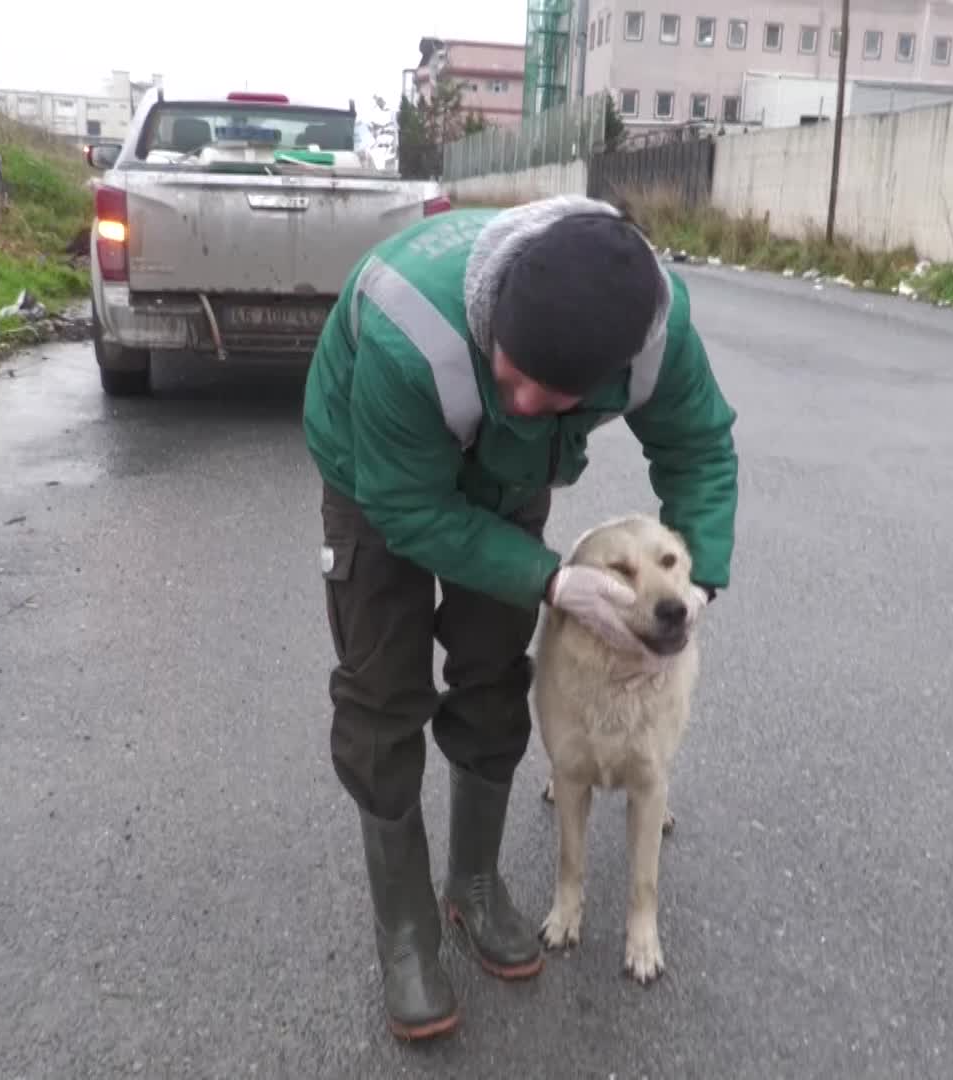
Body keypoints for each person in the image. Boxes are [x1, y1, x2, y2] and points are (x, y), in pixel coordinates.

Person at [300, 194, 740, 1040]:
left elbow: (700, 450)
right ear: (493, 314)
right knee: (381, 692)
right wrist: (550, 581)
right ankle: (405, 930)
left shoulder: (653, 329)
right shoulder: (409, 332)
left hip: (506, 478)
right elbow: (413, 512)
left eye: (558, 392)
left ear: (616, 368)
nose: (529, 397)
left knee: (494, 667)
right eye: (512, 374)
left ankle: (472, 883)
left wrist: (701, 586)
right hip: (376, 472)